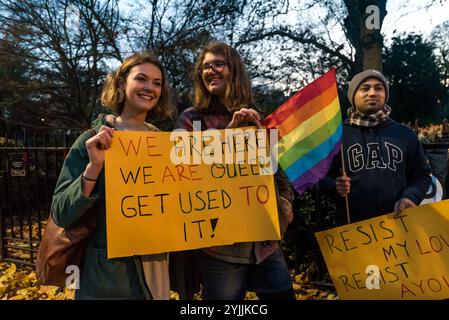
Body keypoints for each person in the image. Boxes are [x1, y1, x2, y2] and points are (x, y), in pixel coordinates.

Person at [174, 41, 295, 300]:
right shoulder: (190, 120)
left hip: (264, 243)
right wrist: (228, 137)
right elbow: (180, 177)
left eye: (218, 64)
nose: (210, 71)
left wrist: (284, 203)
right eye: (205, 67)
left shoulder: (257, 115)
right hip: (220, 247)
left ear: (235, 70)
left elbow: (277, 170)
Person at [50, 51, 176, 299]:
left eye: (157, 83)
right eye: (141, 79)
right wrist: (92, 169)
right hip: (104, 282)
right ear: (121, 83)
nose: (149, 87)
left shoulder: (167, 145)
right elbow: (60, 213)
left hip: (155, 277)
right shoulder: (90, 141)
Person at [320, 69, 431, 224]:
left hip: (399, 226)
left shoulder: (405, 134)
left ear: (385, 94)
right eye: (365, 88)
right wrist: (334, 186)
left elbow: (421, 175)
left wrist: (410, 196)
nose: (372, 93)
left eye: (379, 88)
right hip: (351, 228)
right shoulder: (336, 135)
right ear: (353, 95)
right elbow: (320, 176)